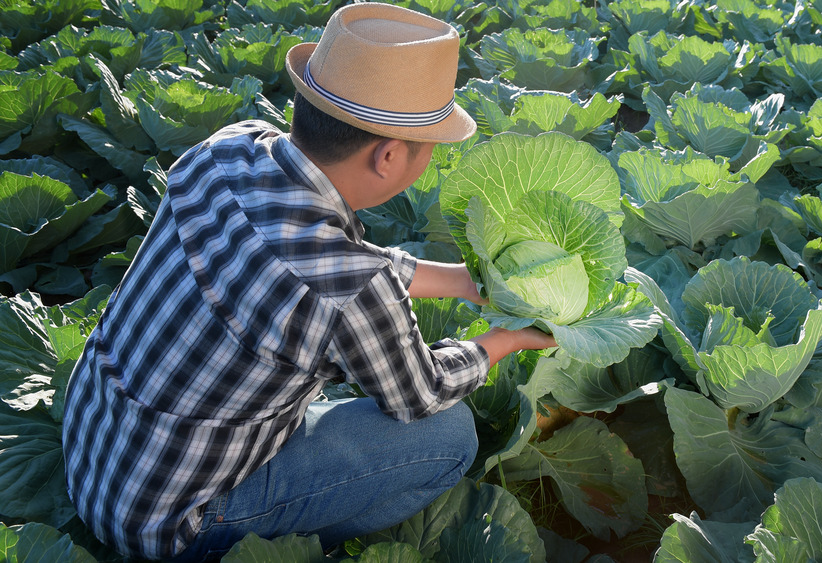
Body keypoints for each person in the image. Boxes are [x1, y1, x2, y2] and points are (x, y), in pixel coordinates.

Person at [61, 4, 556, 561]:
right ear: (390, 155)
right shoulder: (348, 286)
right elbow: (420, 395)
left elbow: (318, 261)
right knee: (448, 437)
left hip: (92, 452)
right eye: (429, 151)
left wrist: (460, 281)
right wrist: (503, 340)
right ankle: (270, 542)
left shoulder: (229, 149)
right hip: (173, 524)